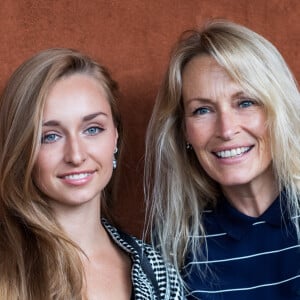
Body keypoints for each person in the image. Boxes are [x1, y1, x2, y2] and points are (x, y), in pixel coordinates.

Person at [0, 48, 183, 300]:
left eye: (93, 129)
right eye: (50, 136)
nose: (76, 156)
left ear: (115, 136)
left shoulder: (159, 274)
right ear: (22, 149)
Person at [145, 20, 300, 299]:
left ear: (278, 110)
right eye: (202, 110)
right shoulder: (174, 246)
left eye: (245, 102)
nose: (226, 130)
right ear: (184, 131)